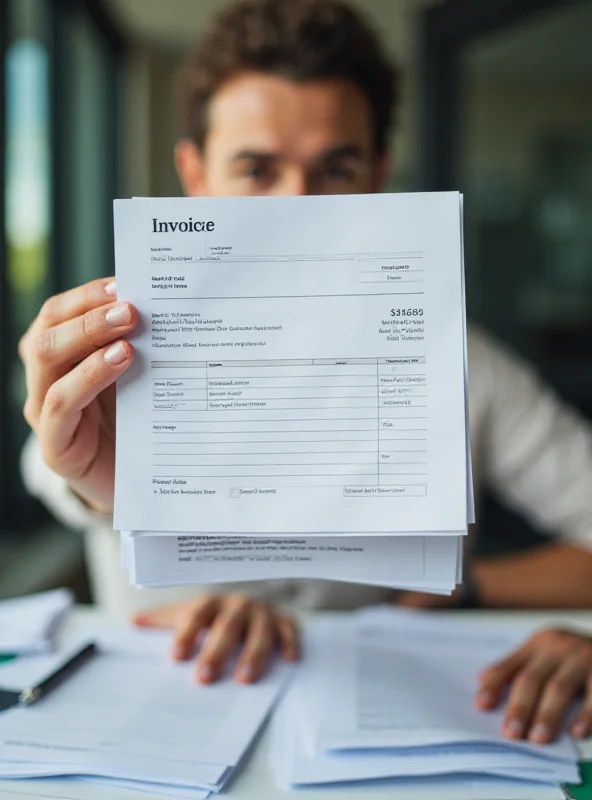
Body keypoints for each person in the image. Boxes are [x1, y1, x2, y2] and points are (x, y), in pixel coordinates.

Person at [18, 0, 592, 743]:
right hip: (163, 738)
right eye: (257, 168)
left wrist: (461, 588)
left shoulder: (463, 361)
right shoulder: (118, 349)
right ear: (194, 173)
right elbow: (62, 477)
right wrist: (99, 483)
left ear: (380, 175)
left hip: (395, 738)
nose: (295, 204)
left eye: (335, 168)